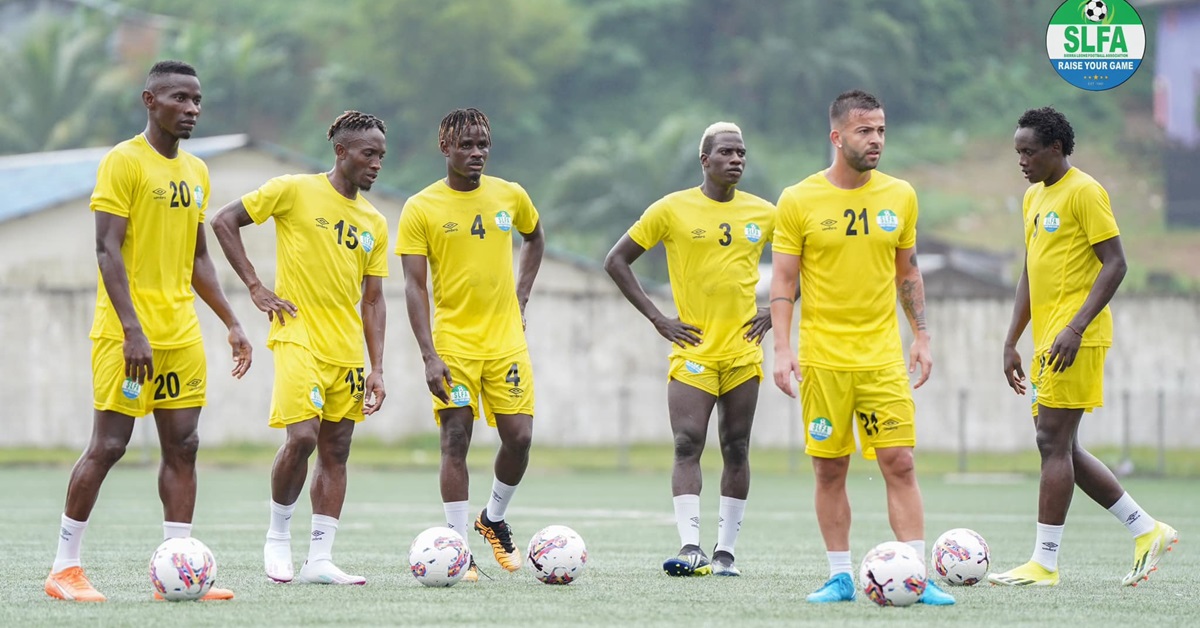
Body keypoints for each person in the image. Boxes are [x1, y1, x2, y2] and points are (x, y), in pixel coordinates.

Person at [44, 60, 251, 603]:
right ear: (150, 100)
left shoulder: (198, 172)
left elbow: (199, 257)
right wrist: (132, 329)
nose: (192, 110)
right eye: (180, 98)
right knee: (109, 445)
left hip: (181, 335)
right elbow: (105, 249)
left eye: (197, 100)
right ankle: (64, 569)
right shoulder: (123, 162)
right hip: (126, 335)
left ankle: (177, 570)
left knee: (184, 445)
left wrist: (231, 321)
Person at [768, 90, 954, 605]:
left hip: (880, 360)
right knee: (830, 468)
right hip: (823, 361)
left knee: (900, 462)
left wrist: (922, 335)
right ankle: (840, 576)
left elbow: (908, 271)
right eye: (865, 131)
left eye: (881, 131)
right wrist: (782, 350)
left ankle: (916, 574)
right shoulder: (798, 199)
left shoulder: (901, 195)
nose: (876, 140)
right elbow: (783, 283)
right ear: (837, 136)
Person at [988, 106, 1178, 587]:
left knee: (1052, 442)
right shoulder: (1034, 198)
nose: (1022, 161)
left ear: (1056, 148)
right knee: (1061, 445)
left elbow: (1115, 263)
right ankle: (1146, 529)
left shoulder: (1086, 192)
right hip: (1045, 341)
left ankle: (1044, 564)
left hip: (1077, 339)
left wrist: (1074, 328)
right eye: (1018, 152)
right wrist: (1011, 339)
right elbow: (1031, 273)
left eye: (1029, 151)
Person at [210, 111, 389, 585]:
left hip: (346, 351)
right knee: (303, 437)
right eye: (368, 154)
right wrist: (255, 286)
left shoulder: (374, 221)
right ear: (342, 152)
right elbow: (224, 221)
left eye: (381, 157)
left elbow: (373, 299)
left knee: (338, 449)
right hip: (297, 335)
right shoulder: (293, 189)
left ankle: (320, 559)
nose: (376, 164)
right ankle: (277, 537)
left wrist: (378, 367)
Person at [603, 122, 774, 577]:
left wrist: (778, 309)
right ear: (705, 160)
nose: (736, 159)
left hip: (742, 352)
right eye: (726, 152)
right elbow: (615, 261)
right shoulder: (671, 209)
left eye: (741, 152)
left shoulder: (765, 213)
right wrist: (659, 319)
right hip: (693, 350)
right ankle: (691, 546)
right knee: (686, 442)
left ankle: (726, 553)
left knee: (736, 446)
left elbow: (812, 262)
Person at [396, 108, 545, 582]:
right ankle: (458, 549)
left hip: (506, 344)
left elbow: (535, 236)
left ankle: (493, 518)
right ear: (445, 148)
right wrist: (428, 354)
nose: (476, 153)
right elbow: (415, 287)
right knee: (455, 438)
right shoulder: (421, 207)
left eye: (482, 144)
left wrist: (521, 294)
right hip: (454, 346)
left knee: (519, 438)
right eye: (465, 145)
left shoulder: (511, 194)